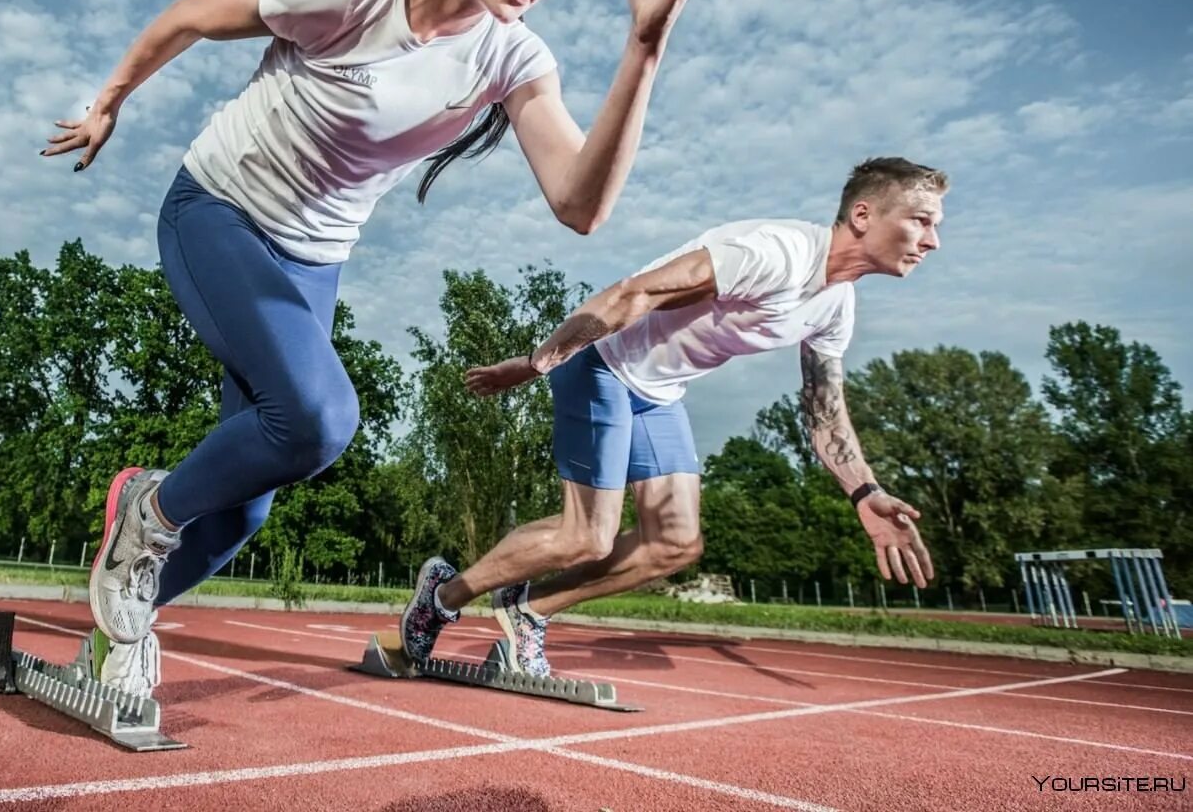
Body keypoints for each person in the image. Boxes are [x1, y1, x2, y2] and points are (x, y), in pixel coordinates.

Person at [42, 0, 787, 696]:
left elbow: (580, 204)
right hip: (219, 212)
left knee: (247, 499)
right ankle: (146, 506)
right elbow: (191, 18)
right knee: (318, 420)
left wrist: (646, 38)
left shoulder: (513, 57)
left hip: (311, 263)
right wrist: (109, 99)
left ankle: (121, 620)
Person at [399, 157, 945, 677]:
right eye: (921, 220)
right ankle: (443, 596)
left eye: (935, 226)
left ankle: (527, 609)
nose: (932, 240)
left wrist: (863, 491)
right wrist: (538, 362)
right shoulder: (775, 252)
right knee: (588, 537)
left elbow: (824, 410)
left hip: (659, 393)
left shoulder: (835, 304)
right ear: (864, 215)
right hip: (602, 364)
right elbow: (636, 293)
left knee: (676, 542)